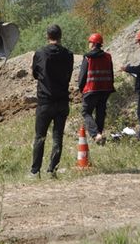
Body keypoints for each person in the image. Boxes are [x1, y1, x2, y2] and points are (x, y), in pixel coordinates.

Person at [29, 24, 74, 179]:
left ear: (47, 36)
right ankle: (52, 170)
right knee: (57, 136)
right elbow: (68, 74)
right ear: (60, 36)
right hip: (62, 101)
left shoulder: (40, 53)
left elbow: (35, 73)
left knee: (40, 136)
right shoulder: (68, 54)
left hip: (45, 101)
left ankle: (35, 172)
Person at [77, 33, 115, 145]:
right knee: (101, 112)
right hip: (105, 89)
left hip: (91, 89)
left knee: (86, 112)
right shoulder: (108, 56)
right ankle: (100, 135)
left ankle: (96, 134)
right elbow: (111, 73)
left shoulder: (88, 57)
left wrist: (81, 89)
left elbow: (82, 76)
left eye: (90, 42)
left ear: (93, 44)